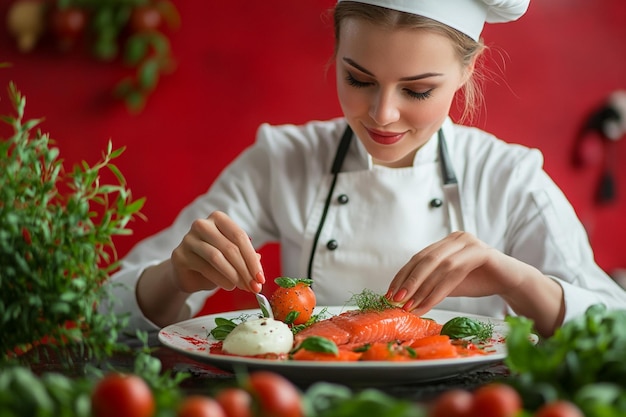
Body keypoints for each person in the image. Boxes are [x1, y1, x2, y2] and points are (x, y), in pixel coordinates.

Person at [103, 0, 626, 338]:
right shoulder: (282, 160)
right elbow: (103, 312)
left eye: (418, 90)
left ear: (467, 71)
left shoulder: (509, 177)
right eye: (358, 79)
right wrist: (174, 276)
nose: (382, 114)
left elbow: (616, 329)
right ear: (337, 52)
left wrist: (519, 282)